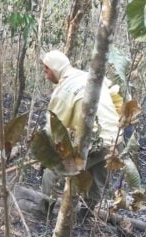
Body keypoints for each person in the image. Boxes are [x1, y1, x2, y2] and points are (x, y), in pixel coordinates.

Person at [40, 50, 122, 216]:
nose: (46, 76)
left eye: (46, 70)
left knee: (52, 172)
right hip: (116, 138)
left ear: (55, 68)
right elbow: (114, 93)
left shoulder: (63, 91)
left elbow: (53, 127)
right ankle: (85, 219)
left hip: (95, 141)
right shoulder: (88, 76)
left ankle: (46, 213)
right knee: (96, 181)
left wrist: (44, 155)